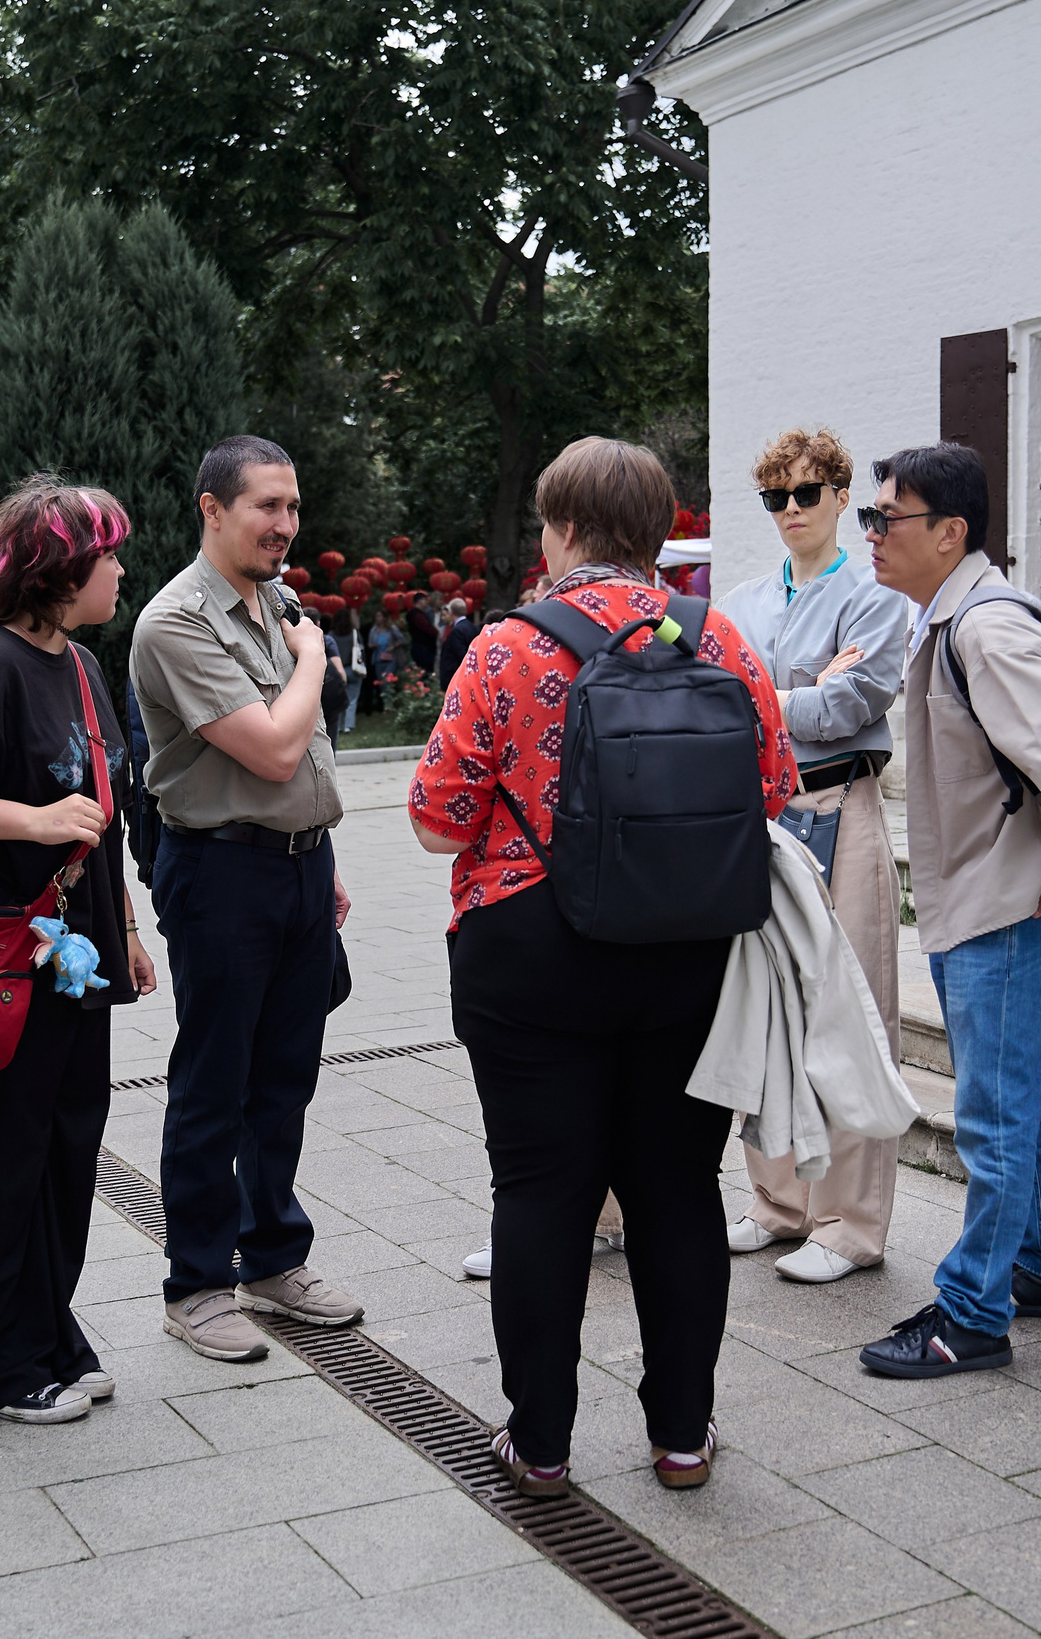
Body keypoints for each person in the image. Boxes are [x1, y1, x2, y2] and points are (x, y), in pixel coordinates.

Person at [409, 437, 795, 1497]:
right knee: (677, 1192)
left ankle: (538, 1442)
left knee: (539, 1195)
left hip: (530, 953)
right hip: (685, 956)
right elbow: (771, 790)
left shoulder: (503, 650)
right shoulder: (720, 640)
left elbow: (439, 822)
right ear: (658, 531)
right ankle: (680, 1437)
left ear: (566, 528)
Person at [855, 443, 1041, 1379]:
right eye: (871, 518)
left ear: (951, 532)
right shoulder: (954, 616)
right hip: (990, 896)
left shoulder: (983, 629)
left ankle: (971, 1315)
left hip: (1007, 904)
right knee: (1023, 1097)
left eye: (889, 519)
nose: (873, 534)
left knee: (995, 1115)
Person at [0, 479, 158, 1425]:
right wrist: (36, 815)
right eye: (108, 556)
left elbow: (106, 812)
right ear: (61, 570)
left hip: (76, 958)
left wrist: (126, 927)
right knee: (1, 1158)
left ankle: (46, 1330)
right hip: (9, 965)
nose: (121, 569)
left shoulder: (80, 664)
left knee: (63, 1150)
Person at [129, 435, 363, 1361]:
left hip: (300, 864)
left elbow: (300, 757)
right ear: (212, 510)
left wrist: (320, 843)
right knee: (213, 1082)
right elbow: (269, 744)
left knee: (284, 1077)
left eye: (294, 506)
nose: (286, 525)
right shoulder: (176, 622)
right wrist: (312, 657)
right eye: (268, 506)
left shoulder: (277, 603)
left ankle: (272, 1257)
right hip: (222, 871)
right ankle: (196, 1281)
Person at [717, 428, 914, 1285]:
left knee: (852, 1009)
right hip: (760, 815)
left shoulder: (875, 597)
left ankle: (850, 1221)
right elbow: (730, 695)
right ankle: (778, 1202)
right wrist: (795, 690)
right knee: (761, 1009)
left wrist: (762, 690)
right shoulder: (744, 598)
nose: (791, 510)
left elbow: (855, 700)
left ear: (842, 497)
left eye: (807, 493)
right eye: (776, 497)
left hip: (842, 805)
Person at [438, 596, 478, 686]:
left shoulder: (457, 630)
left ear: (451, 612)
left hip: (456, 676)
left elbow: (461, 654)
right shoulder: (474, 627)